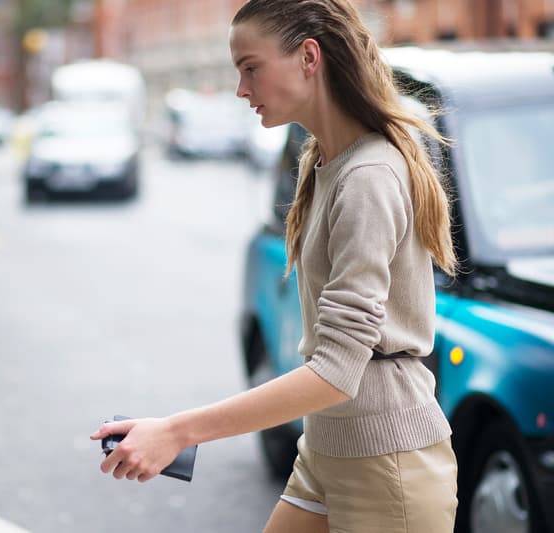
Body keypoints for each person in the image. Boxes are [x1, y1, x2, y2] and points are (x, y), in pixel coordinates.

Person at [91, 0, 459, 531]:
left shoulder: (369, 175)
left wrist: (177, 431)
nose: (241, 89)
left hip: (387, 464)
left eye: (250, 68)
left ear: (309, 56)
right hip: (330, 447)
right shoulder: (328, 164)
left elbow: (336, 371)